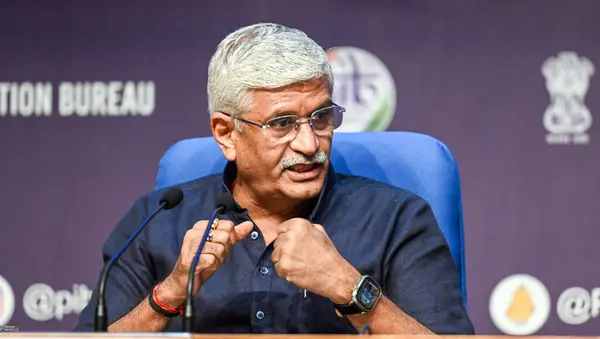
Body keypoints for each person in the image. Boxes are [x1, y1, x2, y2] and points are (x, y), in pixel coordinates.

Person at [75, 22, 475, 334]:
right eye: (282, 123)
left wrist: (351, 290)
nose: (308, 143)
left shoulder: (396, 219)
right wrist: (168, 295)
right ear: (226, 134)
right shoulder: (158, 220)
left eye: (321, 117)